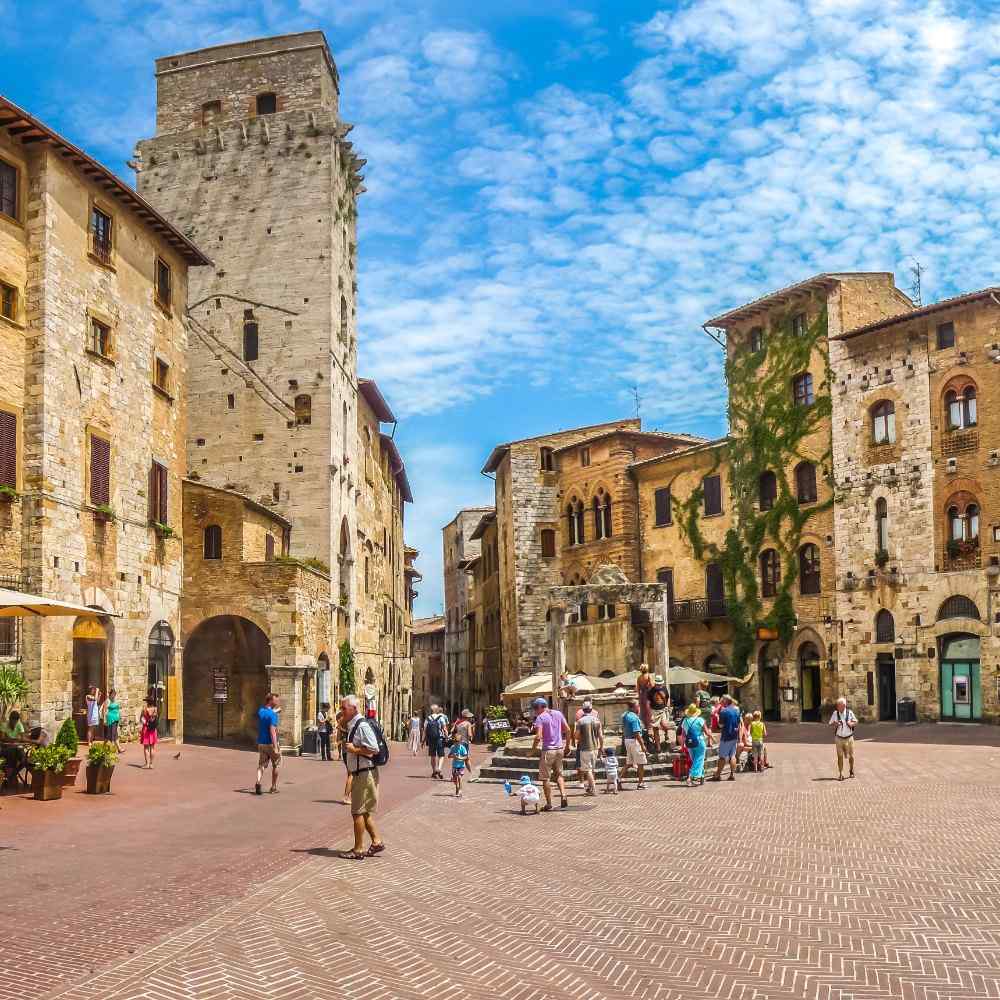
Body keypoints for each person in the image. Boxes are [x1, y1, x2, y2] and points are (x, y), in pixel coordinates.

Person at [341, 694, 385, 859]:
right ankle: (376, 841)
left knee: (357, 812)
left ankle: (358, 849)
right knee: (364, 811)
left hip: (365, 773)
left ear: (354, 708)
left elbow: (374, 749)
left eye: (344, 708)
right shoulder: (354, 724)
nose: (342, 711)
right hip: (361, 773)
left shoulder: (362, 725)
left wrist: (355, 750)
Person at [530, 696, 571, 811]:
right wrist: (567, 745)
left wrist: (532, 750)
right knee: (559, 774)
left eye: (535, 708)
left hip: (548, 750)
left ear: (539, 708)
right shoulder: (558, 714)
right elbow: (567, 730)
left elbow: (538, 736)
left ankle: (549, 803)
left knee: (545, 778)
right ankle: (563, 795)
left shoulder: (540, 718)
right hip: (559, 749)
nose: (535, 711)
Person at [574, 701, 603, 797]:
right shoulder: (597, 720)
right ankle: (590, 787)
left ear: (583, 710)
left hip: (584, 748)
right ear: (591, 709)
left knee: (588, 770)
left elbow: (576, 736)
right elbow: (601, 736)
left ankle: (593, 789)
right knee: (591, 769)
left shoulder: (580, 721)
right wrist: (601, 747)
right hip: (594, 747)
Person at [680, 703, 712, 787]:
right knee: (699, 760)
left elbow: (683, 735)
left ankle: (701, 777)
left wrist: (682, 746)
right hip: (699, 742)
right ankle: (690, 778)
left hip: (689, 743)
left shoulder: (685, 721)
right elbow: (707, 732)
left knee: (696, 761)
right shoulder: (700, 720)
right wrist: (710, 735)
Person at [711, 695, 741, 782]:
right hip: (734, 736)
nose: (720, 701)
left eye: (722, 700)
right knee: (732, 756)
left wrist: (718, 719)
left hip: (726, 737)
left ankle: (717, 775)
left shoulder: (724, 711)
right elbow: (738, 723)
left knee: (722, 757)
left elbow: (720, 725)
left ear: (725, 701)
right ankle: (732, 774)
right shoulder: (736, 710)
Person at [254, 693, 280, 794]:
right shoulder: (273, 715)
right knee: (276, 765)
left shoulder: (261, 711)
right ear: (270, 701)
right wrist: (275, 746)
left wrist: (275, 711)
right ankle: (273, 787)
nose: (277, 702)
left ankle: (258, 781)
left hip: (261, 743)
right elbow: (272, 731)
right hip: (270, 743)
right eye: (276, 700)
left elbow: (266, 714)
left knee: (262, 765)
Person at [619, 698, 648, 790]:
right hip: (634, 741)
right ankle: (640, 782)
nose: (639, 707)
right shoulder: (634, 718)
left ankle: (618, 779)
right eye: (637, 706)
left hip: (627, 740)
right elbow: (637, 733)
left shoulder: (625, 715)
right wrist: (642, 745)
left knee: (629, 762)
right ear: (634, 707)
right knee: (641, 762)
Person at [829, 696, 857, 780]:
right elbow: (830, 723)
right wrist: (835, 723)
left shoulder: (849, 713)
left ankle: (851, 770)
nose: (837, 707)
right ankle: (841, 773)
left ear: (844, 705)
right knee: (839, 756)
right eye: (837, 705)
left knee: (851, 756)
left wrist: (851, 724)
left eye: (839, 705)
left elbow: (856, 721)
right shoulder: (835, 713)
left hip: (849, 738)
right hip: (839, 738)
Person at [647, 673, 671, 753]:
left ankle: (666, 733)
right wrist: (649, 713)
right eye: (658, 684)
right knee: (655, 729)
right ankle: (658, 747)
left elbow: (667, 697)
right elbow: (648, 702)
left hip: (662, 710)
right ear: (656, 683)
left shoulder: (664, 689)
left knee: (664, 725)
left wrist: (667, 706)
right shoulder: (651, 691)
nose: (659, 685)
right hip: (654, 711)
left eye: (660, 684)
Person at [425, 704, 449, 779]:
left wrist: (423, 741)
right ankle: (439, 768)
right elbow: (444, 729)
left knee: (433, 756)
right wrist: (447, 736)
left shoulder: (428, 718)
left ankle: (434, 771)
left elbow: (425, 730)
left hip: (431, 739)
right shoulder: (441, 718)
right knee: (441, 755)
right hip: (439, 738)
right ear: (437, 710)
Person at [139, 698, 158, 769]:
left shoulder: (144, 709)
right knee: (152, 747)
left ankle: (147, 764)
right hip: (153, 730)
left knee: (146, 747)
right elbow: (156, 718)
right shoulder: (155, 709)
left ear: (147, 702)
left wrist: (145, 723)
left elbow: (141, 719)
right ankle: (151, 764)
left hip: (146, 729)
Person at [636, 664, 654, 731]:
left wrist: (639, 695)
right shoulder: (648, 676)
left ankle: (645, 725)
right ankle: (649, 726)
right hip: (648, 694)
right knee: (648, 711)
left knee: (643, 711)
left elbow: (637, 688)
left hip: (642, 695)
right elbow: (652, 685)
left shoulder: (639, 677)